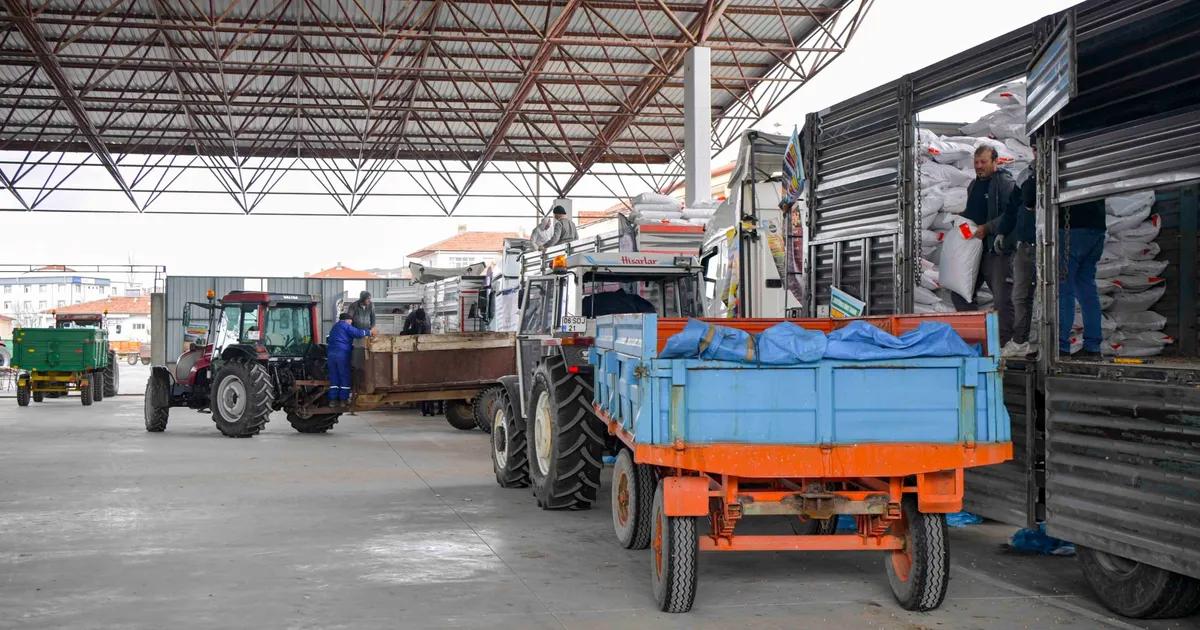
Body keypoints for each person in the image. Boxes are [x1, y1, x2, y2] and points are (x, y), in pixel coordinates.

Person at [954, 145, 1020, 347]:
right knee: (960, 293)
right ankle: (976, 338)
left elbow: (1012, 214)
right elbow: (972, 212)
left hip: (996, 250)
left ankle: (1004, 344)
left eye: (983, 162)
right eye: (976, 162)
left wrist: (988, 228)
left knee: (1002, 298)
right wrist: (959, 223)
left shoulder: (1004, 183)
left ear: (995, 161)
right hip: (974, 249)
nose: (979, 166)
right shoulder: (973, 185)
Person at [999, 149, 1039, 358]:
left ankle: (1048, 342)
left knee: (1051, 296)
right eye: (1034, 147)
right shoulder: (1025, 174)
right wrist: (1003, 231)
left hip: (1049, 243)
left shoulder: (1059, 167)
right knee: (1020, 295)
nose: (1037, 151)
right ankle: (1020, 340)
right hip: (1025, 244)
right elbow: (1013, 206)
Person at [1058, 197, 1107, 359]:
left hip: (1071, 229)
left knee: (1064, 290)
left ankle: (1061, 346)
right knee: (1087, 291)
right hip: (1097, 230)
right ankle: (1092, 346)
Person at [326, 312, 372, 408]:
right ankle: (343, 400)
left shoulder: (334, 327)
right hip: (342, 354)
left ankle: (333, 401)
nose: (351, 323)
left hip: (331, 355)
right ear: (347, 320)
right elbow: (358, 333)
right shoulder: (345, 326)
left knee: (334, 377)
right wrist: (370, 332)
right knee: (344, 376)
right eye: (351, 322)